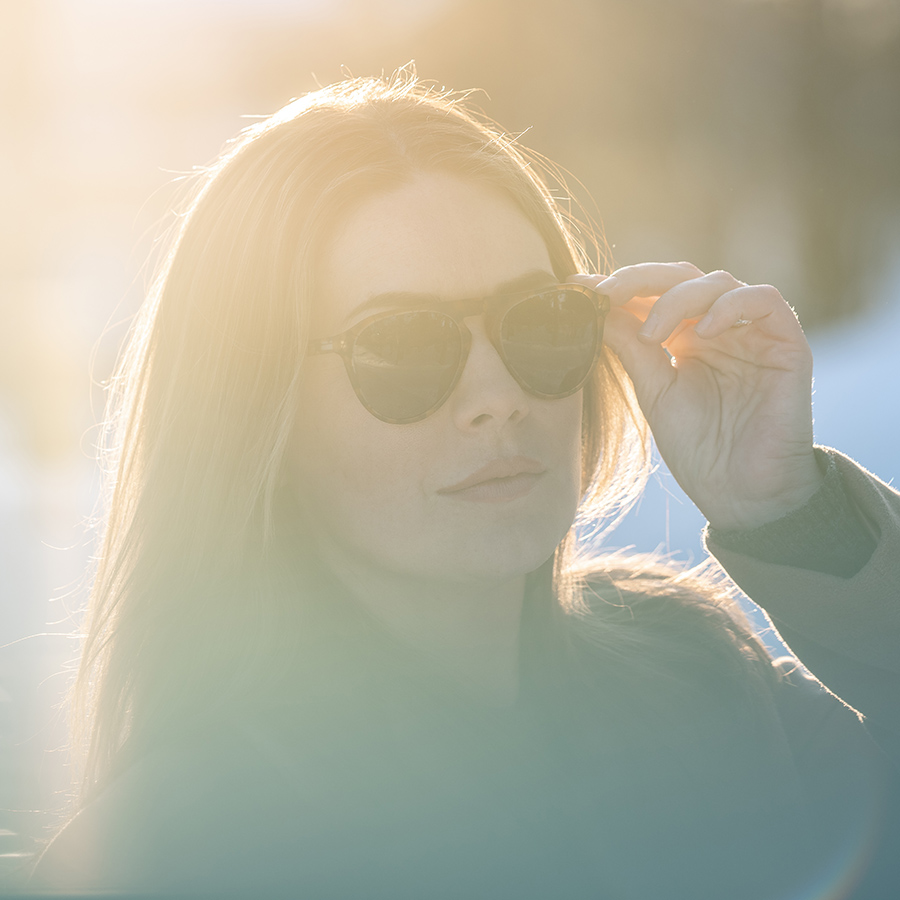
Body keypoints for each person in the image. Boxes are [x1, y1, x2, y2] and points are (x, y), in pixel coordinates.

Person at [28, 71, 899, 898]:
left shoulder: (699, 677)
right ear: (255, 407)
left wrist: (793, 514)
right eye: (402, 346)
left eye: (540, 321)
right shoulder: (182, 849)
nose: (497, 397)